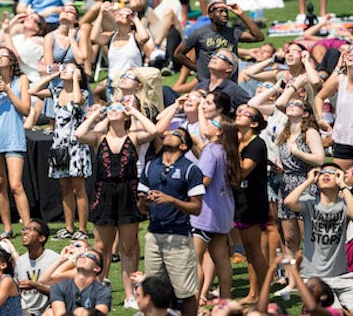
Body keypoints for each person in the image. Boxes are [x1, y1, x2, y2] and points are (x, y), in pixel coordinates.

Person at [75, 101, 157, 307]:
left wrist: (135, 112)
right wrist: (96, 116)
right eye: (110, 108)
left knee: (128, 248)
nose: (114, 110)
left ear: (126, 116)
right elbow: (79, 133)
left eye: (118, 109)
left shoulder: (134, 137)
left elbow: (154, 130)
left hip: (128, 194)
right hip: (103, 194)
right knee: (102, 247)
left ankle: (130, 295)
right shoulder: (99, 138)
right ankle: (95, 290)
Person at [137, 128, 205, 316]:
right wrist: (144, 200)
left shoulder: (190, 169)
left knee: (185, 292)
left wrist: (171, 200)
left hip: (178, 237)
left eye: (174, 133)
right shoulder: (151, 166)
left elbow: (197, 208)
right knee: (153, 289)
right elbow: (141, 207)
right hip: (153, 235)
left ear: (183, 145)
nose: (168, 133)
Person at [29, 63, 91, 240]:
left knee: (79, 188)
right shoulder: (56, 92)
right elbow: (33, 91)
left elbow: (78, 100)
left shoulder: (83, 93)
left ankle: (83, 228)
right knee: (65, 188)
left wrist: (75, 79)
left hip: (76, 145)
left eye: (70, 68)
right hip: (59, 145)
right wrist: (51, 76)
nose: (64, 70)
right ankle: (69, 227)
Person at [273, 99, 324, 297]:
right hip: (286, 184)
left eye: (297, 104)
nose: (291, 105)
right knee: (289, 238)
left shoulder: (309, 132)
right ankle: (293, 281)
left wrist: (296, 151)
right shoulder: (285, 133)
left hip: (306, 183)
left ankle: (314, 279)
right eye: (290, 104)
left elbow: (319, 159)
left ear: (304, 113)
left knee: (307, 235)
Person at [284, 164, 353, 308]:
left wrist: (344, 186)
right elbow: (289, 202)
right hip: (314, 276)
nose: (326, 175)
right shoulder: (310, 203)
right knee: (333, 313)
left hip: (341, 275)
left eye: (332, 173)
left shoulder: (344, 205)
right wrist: (309, 181)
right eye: (322, 173)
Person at [0, 47, 32, 238]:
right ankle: (7, 227)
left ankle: (28, 226)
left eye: (3, 55)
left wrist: (7, 90)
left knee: (15, 184)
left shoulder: (22, 80)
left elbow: (26, 109)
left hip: (13, 135)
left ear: (11, 60)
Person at [191, 118, 240, 302]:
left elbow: (204, 180)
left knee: (193, 259)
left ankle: (194, 300)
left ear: (219, 132)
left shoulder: (211, 151)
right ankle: (226, 299)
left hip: (205, 215)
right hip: (224, 213)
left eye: (211, 122)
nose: (207, 124)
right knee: (222, 259)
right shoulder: (227, 151)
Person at [174, 0, 264, 86]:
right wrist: (197, 68)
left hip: (229, 83)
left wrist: (241, 14)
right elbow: (178, 53)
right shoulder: (199, 33)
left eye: (226, 12)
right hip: (206, 82)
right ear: (210, 15)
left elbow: (259, 37)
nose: (224, 15)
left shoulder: (233, 33)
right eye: (220, 11)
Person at [233, 105, 271, 304]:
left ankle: (263, 293)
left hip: (252, 203)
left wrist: (230, 153)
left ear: (254, 123)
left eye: (245, 113)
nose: (239, 114)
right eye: (238, 112)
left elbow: (243, 171)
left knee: (254, 250)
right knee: (248, 250)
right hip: (240, 201)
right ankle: (253, 293)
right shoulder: (238, 142)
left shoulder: (257, 144)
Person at [93, 2, 150, 88]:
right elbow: (94, 37)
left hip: (131, 84)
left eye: (125, 13)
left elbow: (145, 37)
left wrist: (135, 18)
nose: (120, 15)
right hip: (112, 84)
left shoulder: (135, 37)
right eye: (118, 13)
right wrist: (101, 13)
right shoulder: (111, 36)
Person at [316, 47, 353, 172]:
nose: (350, 55)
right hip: (344, 139)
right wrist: (320, 118)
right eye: (348, 53)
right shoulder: (340, 80)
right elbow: (320, 96)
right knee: (343, 182)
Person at [14, 219, 60, 316]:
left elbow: (61, 293)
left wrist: (36, 286)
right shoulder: (20, 262)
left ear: (41, 238)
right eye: (24, 229)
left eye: (31, 229)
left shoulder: (54, 259)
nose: (25, 232)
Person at [47, 249, 111, 315]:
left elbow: (100, 314)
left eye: (90, 256)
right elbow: (59, 314)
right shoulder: (59, 286)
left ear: (97, 268)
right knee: (49, 312)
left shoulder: (102, 291)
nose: (82, 257)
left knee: (81, 312)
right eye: (80, 255)